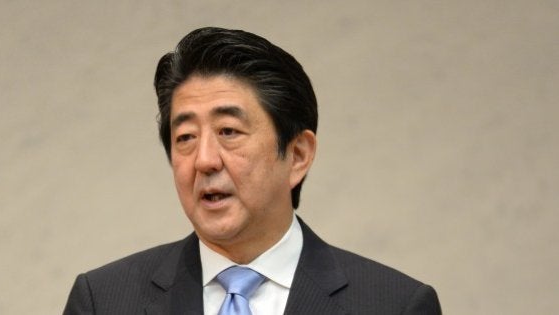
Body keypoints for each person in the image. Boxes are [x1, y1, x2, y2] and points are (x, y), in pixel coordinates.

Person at [63, 27, 442, 315]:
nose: (205, 160)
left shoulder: (394, 305)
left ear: (297, 154)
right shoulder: (104, 301)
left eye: (228, 131)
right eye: (186, 137)